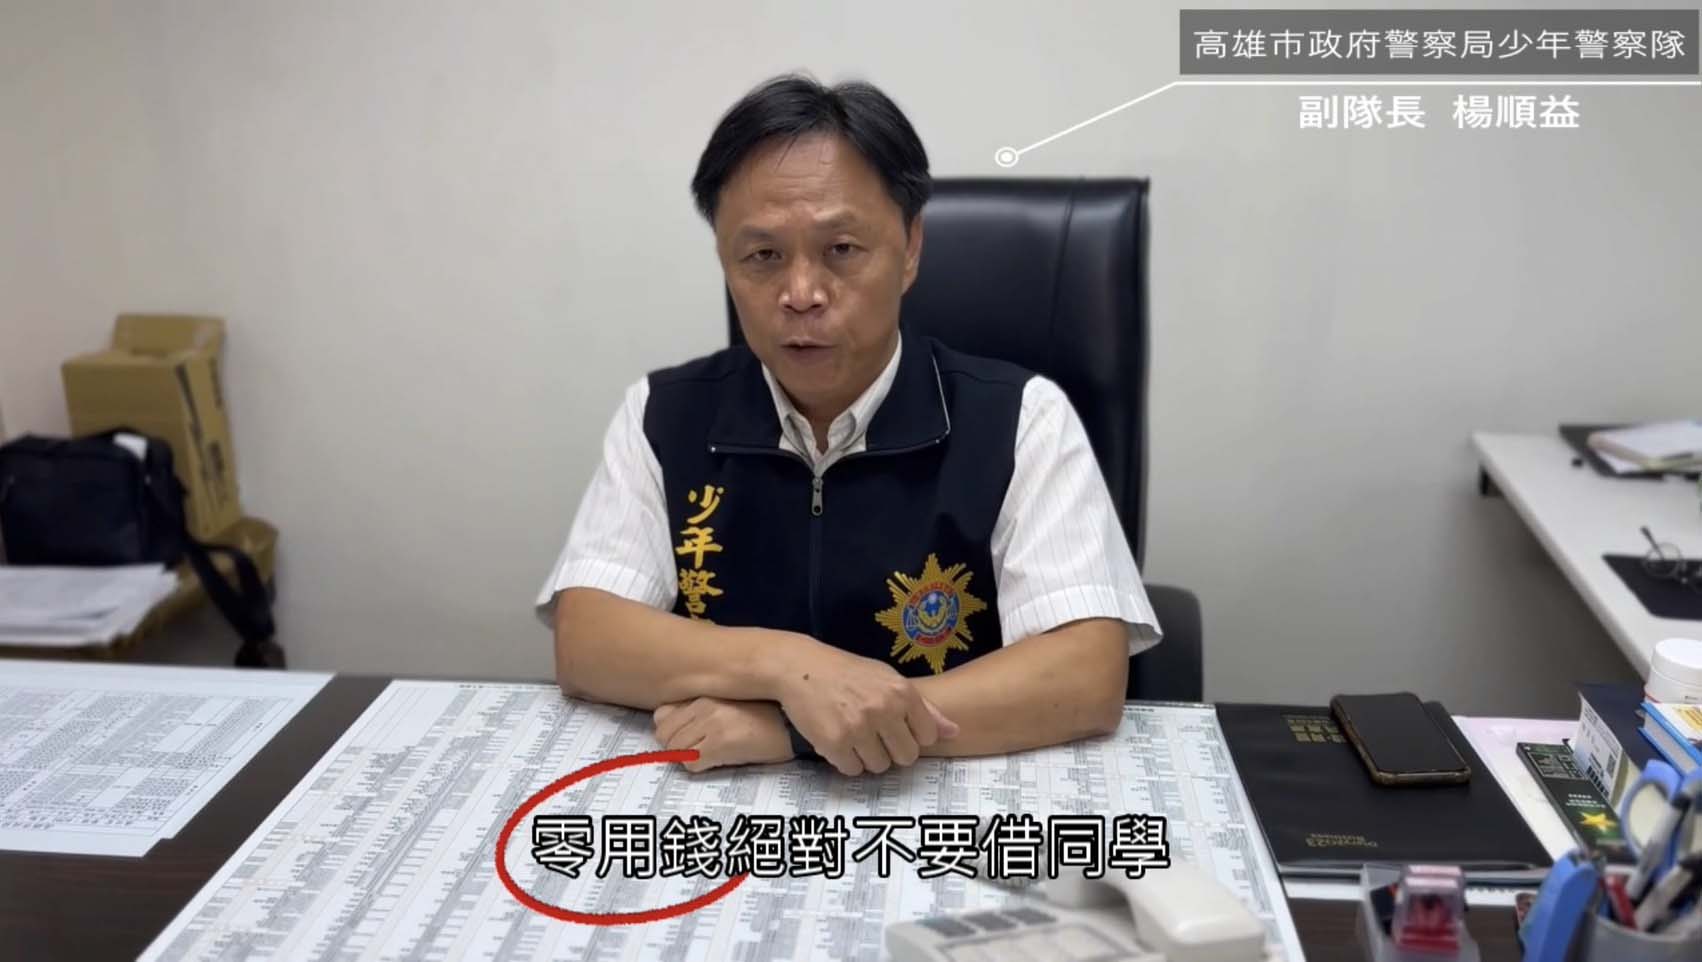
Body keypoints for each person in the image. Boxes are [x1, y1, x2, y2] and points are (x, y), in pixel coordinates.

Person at [536, 73, 1159, 776]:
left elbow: (1084, 675)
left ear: (911, 247)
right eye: (763, 256)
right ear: (725, 260)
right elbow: (588, 639)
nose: (802, 294)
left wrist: (797, 730)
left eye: (841, 249)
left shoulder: (1023, 421)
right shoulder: (664, 415)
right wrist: (788, 669)